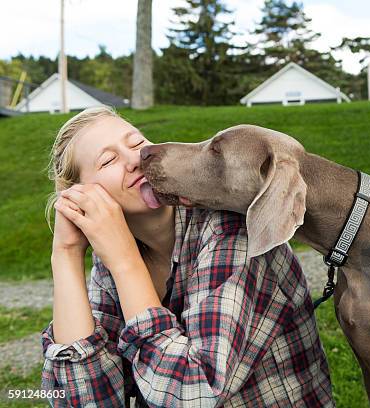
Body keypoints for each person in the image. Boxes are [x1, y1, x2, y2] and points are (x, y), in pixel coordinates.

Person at [41, 106, 334, 407]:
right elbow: (84, 399)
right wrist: (65, 255)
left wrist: (124, 261)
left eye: (136, 143)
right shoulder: (111, 259)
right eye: (109, 160)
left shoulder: (230, 230)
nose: (135, 160)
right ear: (81, 196)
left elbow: (194, 392)